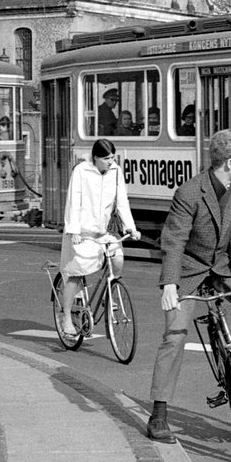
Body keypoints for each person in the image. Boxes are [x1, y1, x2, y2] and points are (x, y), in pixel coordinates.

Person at [147, 129, 231, 443]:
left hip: (222, 266)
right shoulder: (190, 192)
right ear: (229, 162)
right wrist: (170, 286)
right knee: (174, 335)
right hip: (189, 269)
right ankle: (158, 414)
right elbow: (173, 241)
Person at [58, 139, 139, 335]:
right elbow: (73, 201)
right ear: (95, 158)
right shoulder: (81, 171)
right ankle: (66, 316)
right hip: (82, 234)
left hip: (102, 233)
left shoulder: (116, 172)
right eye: (106, 159)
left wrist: (130, 227)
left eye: (112, 158)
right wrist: (74, 231)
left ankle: (109, 296)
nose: (110, 162)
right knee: (77, 275)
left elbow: (122, 202)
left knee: (117, 258)